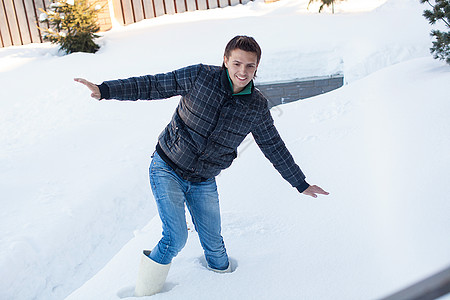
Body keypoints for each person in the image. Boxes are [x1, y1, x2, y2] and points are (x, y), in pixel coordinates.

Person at [75, 35, 329, 297]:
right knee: (175, 238)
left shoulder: (256, 107)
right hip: (167, 167)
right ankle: (144, 293)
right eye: (237, 63)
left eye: (250, 66)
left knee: (216, 248)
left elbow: (273, 146)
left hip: (203, 180)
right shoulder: (199, 77)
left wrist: (300, 183)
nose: (243, 71)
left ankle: (225, 290)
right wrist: (106, 90)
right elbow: (153, 85)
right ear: (225, 60)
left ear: (257, 67)